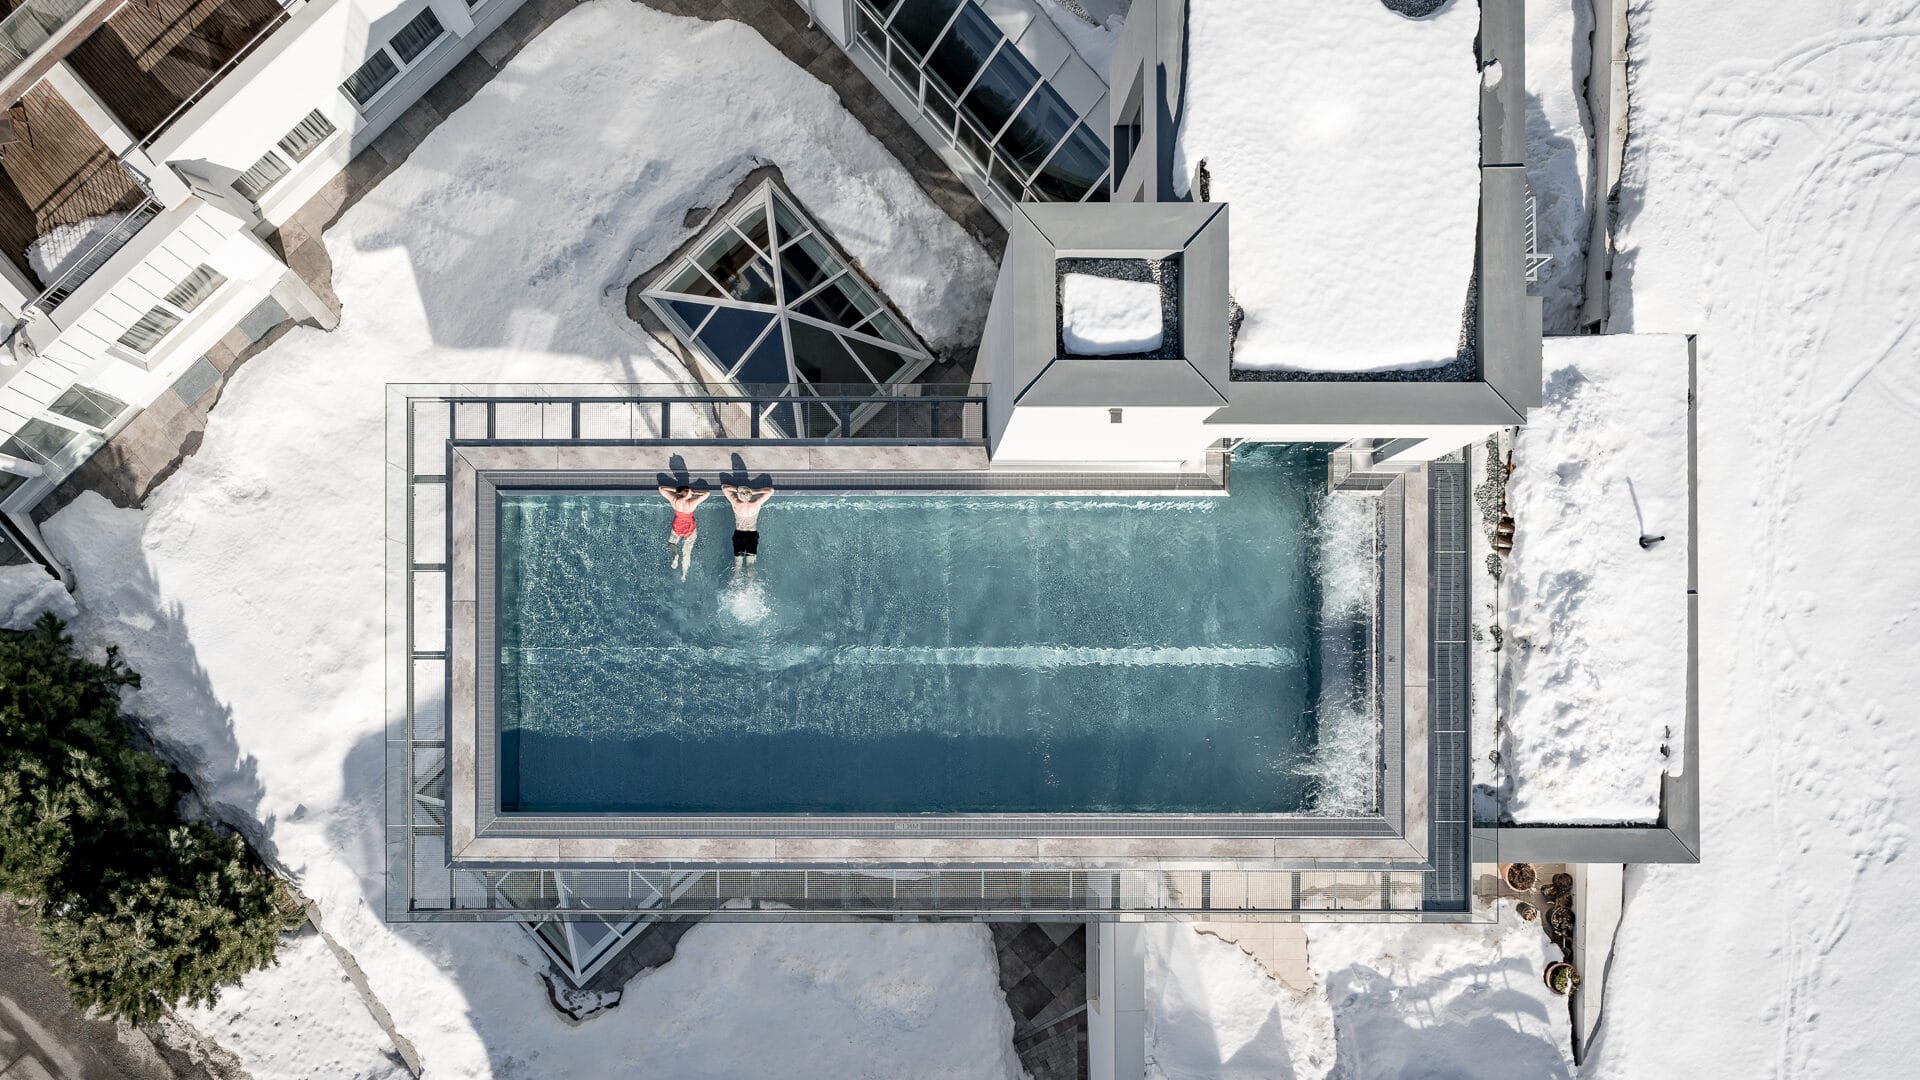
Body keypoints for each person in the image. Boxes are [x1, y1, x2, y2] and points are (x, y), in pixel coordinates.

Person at [721, 483, 775, 583]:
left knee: (738, 564)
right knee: (750, 565)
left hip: (739, 535)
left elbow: (724, 487)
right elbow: (771, 491)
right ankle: (750, 587)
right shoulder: (756, 503)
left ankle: (736, 585)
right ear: (750, 495)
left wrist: (738, 489)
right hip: (752, 535)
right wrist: (754, 490)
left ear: (739, 495)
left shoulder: (735, 503)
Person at [657, 485, 710, 580]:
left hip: (677, 526)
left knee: (672, 543)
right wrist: (693, 493)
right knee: (687, 552)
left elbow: (661, 489)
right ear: (688, 494)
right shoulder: (692, 503)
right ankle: (684, 574)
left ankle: (675, 555)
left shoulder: (674, 500)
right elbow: (707, 493)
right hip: (690, 528)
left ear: (679, 494)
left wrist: (677, 491)